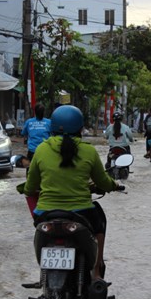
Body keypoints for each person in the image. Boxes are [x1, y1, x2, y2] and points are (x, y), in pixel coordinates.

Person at [23, 105, 124, 281]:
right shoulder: (89, 151)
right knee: (100, 220)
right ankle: (97, 272)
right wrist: (114, 185)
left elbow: (30, 188)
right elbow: (103, 182)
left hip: (45, 214)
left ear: (52, 127)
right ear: (80, 128)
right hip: (82, 213)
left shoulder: (40, 150)